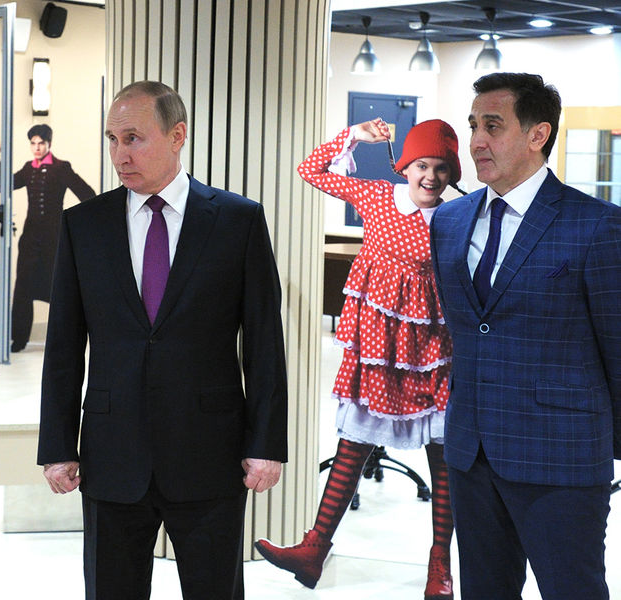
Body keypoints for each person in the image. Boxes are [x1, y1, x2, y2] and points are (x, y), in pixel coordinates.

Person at [36, 80, 288, 599]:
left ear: (178, 136)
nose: (119, 155)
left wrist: (266, 443)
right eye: (112, 140)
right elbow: (63, 347)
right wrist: (57, 445)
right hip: (112, 454)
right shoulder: (84, 225)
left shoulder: (237, 220)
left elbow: (264, 342)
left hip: (209, 453)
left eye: (133, 138)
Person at [429, 72, 621, 600]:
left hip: (561, 455)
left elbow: (617, 347)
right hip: (470, 452)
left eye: (493, 126)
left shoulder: (597, 225)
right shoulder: (448, 221)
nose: (476, 141)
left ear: (538, 134)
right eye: (473, 125)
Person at [254, 118, 461, 599]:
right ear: (404, 166)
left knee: (444, 459)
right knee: (353, 442)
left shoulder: (457, 216)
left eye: (442, 168)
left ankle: (440, 569)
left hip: (432, 352)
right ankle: (313, 549)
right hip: (377, 350)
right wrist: (352, 136)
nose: (431, 177)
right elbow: (310, 170)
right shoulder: (376, 196)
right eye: (422, 165)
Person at [0, 124, 95, 352]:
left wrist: (74, 226)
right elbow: (2, 186)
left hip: (54, 239)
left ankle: (66, 341)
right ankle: (18, 339)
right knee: (23, 288)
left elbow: (88, 194)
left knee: (59, 289)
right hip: (30, 239)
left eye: (41, 143)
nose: (37, 148)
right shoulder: (29, 168)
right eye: (33, 143)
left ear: (49, 144)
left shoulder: (61, 168)